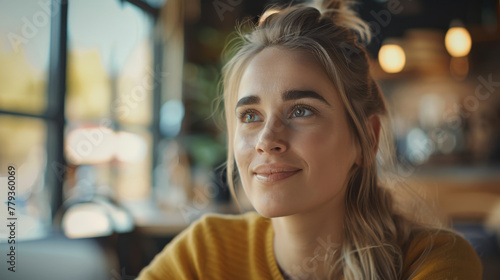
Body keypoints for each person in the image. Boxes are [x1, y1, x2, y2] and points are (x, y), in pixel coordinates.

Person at [137, 0, 482, 279]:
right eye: (251, 116)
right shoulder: (204, 254)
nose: (267, 140)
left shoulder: (433, 262)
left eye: (301, 111)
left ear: (366, 140)